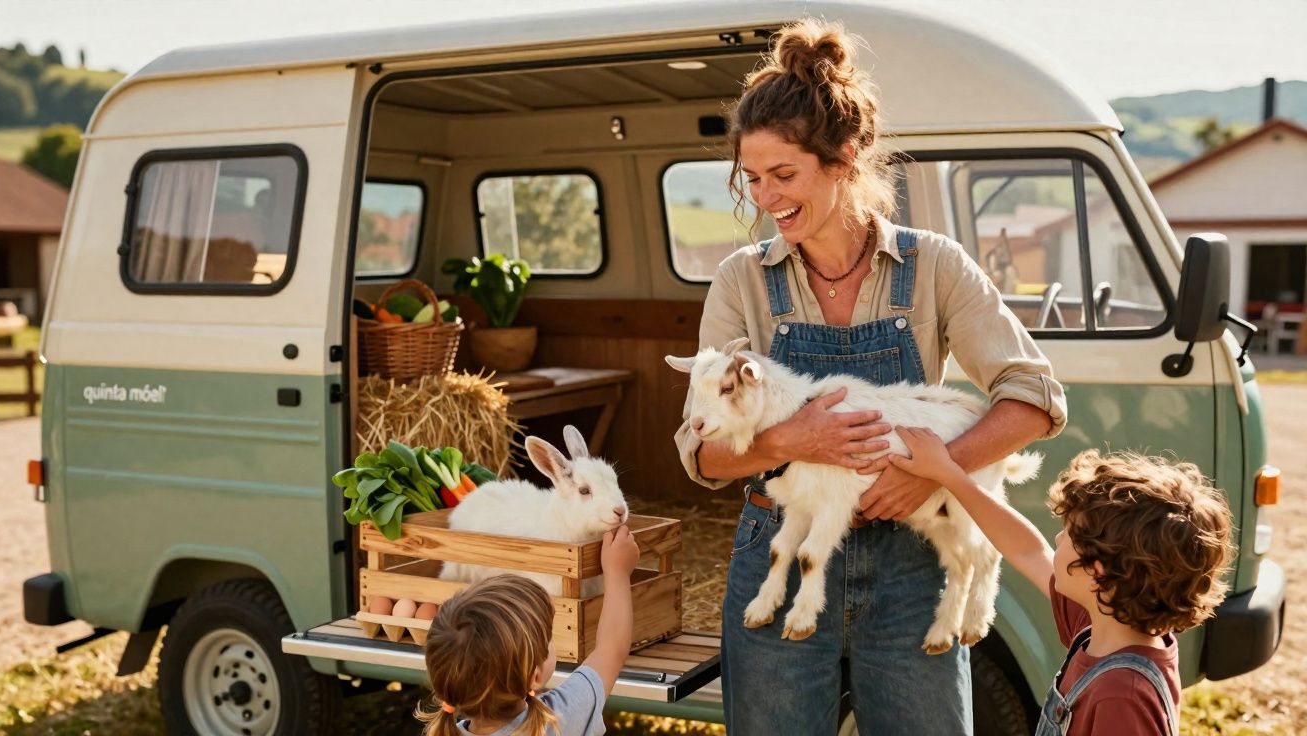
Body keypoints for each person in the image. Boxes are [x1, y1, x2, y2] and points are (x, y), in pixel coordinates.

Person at [672, 17, 1068, 734]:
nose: (765, 196)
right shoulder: (742, 282)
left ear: (845, 158)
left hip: (912, 569)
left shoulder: (934, 267)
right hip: (780, 558)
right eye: (753, 178)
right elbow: (702, 453)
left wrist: (936, 470)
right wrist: (799, 437)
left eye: (784, 175)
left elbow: (1035, 400)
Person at [883, 428, 1234, 735]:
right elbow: (1027, 550)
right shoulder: (1103, 622)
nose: (1057, 541)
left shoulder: (1122, 694)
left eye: (1069, 535)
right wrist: (949, 474)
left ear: (1097, 572)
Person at [417, 526, 641, 736]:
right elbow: (611, 649)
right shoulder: (559, 719)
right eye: (548, 637)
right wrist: (617, 571)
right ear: (534, 676)